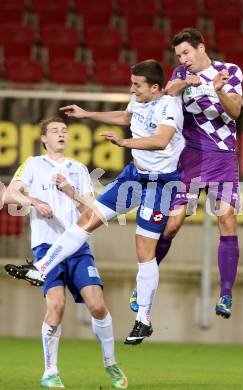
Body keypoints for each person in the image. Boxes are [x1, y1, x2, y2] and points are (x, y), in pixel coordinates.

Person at [5, 60, 184, 345]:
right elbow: (127, 117)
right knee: (87, 219)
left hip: (161, 184)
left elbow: (161, 141)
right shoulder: (138, 100)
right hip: (134, 175)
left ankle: (143, 320)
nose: (131, 89)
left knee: (144, 250)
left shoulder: (170, 106)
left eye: (136, 85)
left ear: (154, 87)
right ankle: (41, 269)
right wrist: (87, 114)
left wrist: (125, 144)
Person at [4, 118, 128, 389]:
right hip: (46, 245)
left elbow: (91, 209)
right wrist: (33, 201)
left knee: (96, 304)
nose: (61, 134)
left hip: (77, 245)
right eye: (55, 131)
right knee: (57, 305)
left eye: (65, 131)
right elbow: (11, 194)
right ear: (44, 139)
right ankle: (50, 371)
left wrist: (70, 191)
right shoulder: (33, 164)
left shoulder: (79, 169)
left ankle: (110, 361)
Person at [130, 28, 242, 319]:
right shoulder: (180, 73)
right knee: (172, 224)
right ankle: (143, 284)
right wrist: (183, 82)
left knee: (227, 218)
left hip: (223, 157)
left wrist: (217, 89)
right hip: (190, 157)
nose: (183, 58)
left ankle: (226, 295)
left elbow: (235, 111)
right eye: (179, 55)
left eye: (186, 52)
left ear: (201, 47)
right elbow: (167, 93)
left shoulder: (229, 71)